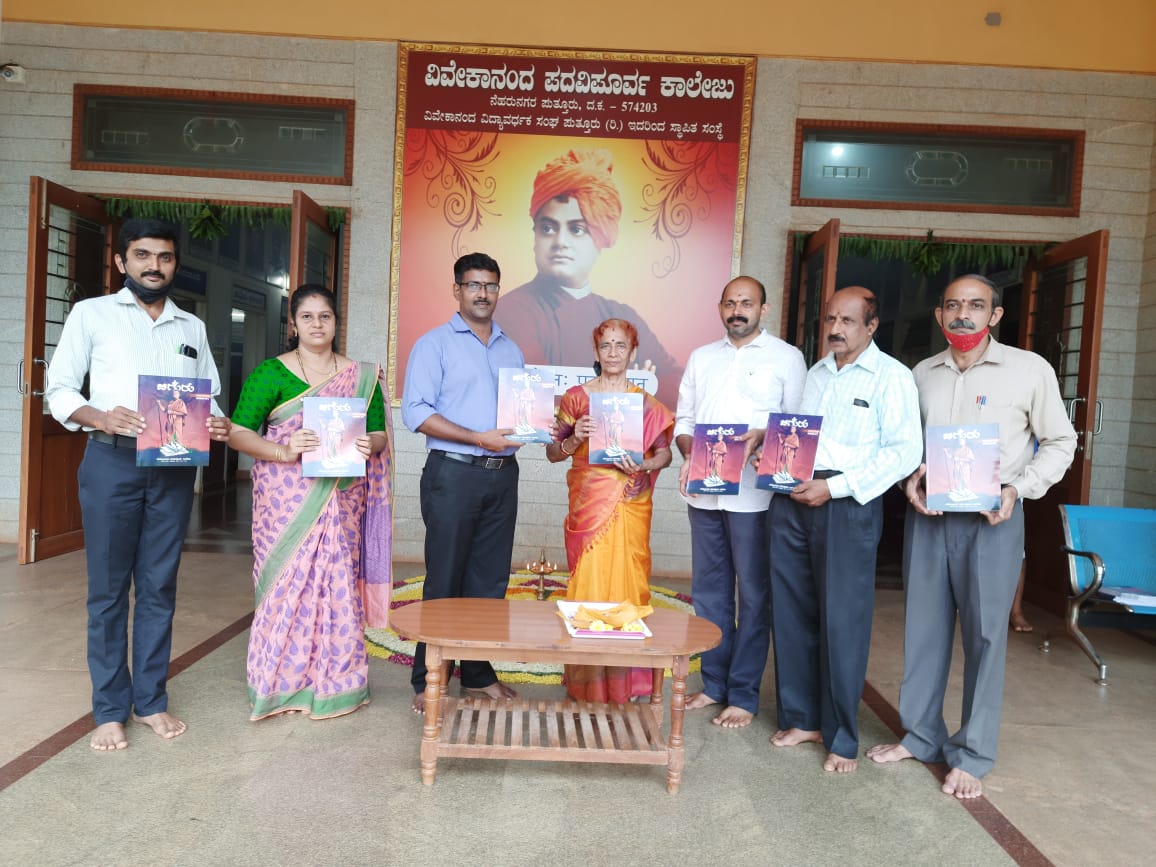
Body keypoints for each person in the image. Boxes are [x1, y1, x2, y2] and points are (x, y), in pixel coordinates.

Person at [867, 274, 1076, 798]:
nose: (964, 314)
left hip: (993, 520)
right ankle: (921, 736)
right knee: (923, 629)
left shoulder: (1029, 370)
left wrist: (1018, 489)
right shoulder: (921, 374)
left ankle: (973, 753)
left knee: (985, 636)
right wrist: (909, 477)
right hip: (930, 518)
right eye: (954, 305)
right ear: (940, 315)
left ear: (995, 315)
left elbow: (1060, 441)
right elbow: (903, 443)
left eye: (976, 305)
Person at [45, 217, 232, 751]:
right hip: (112, 462)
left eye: (165, 257)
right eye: (143, 255)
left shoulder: (190, 327)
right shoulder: (92, 314)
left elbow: (208, 394)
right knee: (108, 591)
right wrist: (101, 416)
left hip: (173, 468)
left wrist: (218, 423)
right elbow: (59, 389)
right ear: (121, 261)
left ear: (175, 265)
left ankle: (150, 701)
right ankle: (109, 709)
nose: (155, 266)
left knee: (158, 586)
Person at [768, 286, 922, 769]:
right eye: (831, 318)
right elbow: (799, 435)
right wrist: (774, 462)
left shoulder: (892, 377)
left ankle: (840, 737)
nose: (835, 328)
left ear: (872, 326)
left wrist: (833, 488)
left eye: (848, 321)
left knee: (842, 620)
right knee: (792, 611)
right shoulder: (816, 373)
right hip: (794, 497)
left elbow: (904, 452)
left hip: (847, 503)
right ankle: (802, 718)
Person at [227, 285, 392, 720]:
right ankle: (279, 686)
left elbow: (377, 433)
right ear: (293, 323)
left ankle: (337, 684)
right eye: (307, 316)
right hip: (284, 501)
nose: (317, 324)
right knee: (286, 586)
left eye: (325, 316)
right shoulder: (271, 374)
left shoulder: (361, 376)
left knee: (337, 585)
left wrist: (369, 444)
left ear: (336, 321)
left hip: (342, 498)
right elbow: (238, 433)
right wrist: (283, 449)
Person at [675, 276, 807, 728]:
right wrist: (689, 455)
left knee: (753, 596)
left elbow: (797, 425)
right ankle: (714, 684)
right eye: (730, 303)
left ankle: (744, 694)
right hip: (705, 493)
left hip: (756, 497)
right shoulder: (702, 357)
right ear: (720, 308)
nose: (737, 310)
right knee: (709, 594)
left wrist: (763, 439)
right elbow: (685, 420)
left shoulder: (787, 358)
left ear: (763, 309)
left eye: (747, 303)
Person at [402, 252, 526, 714]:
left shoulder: (511, 349)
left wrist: (535, 427)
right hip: (453, 474)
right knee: (445, 577)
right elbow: (416, 412)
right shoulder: (433, 345)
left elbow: (519, 412)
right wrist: (477, 437)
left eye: (490, 285)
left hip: (502, 476)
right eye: (473, 285)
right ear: (457, 290)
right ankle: (428, 679)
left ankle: (477, 673)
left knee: (488, 582)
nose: (482, 293)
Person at [546, 318, 674, 702]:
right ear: (596, 351)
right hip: (588, 508)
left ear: (633, 353)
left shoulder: (645, 404)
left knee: (629, 584)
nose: (613, 353)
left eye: (621, 346)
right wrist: (575, 439)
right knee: (589, 584)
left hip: (631, 503)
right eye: (606, 346)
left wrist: (644, 465)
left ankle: (626, 683)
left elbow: (665, 454)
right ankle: (587, 682)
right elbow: (552, 453)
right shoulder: (576, 399)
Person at [496, 148, 683, 407]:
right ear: (535, 235)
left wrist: (631, 393)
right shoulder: (513, 310)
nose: (560, 242)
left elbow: (675, 385)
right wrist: (627, 390)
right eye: (548, 228)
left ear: (600, 237)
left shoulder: (621, 314)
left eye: (577, 229)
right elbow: (539, 404)